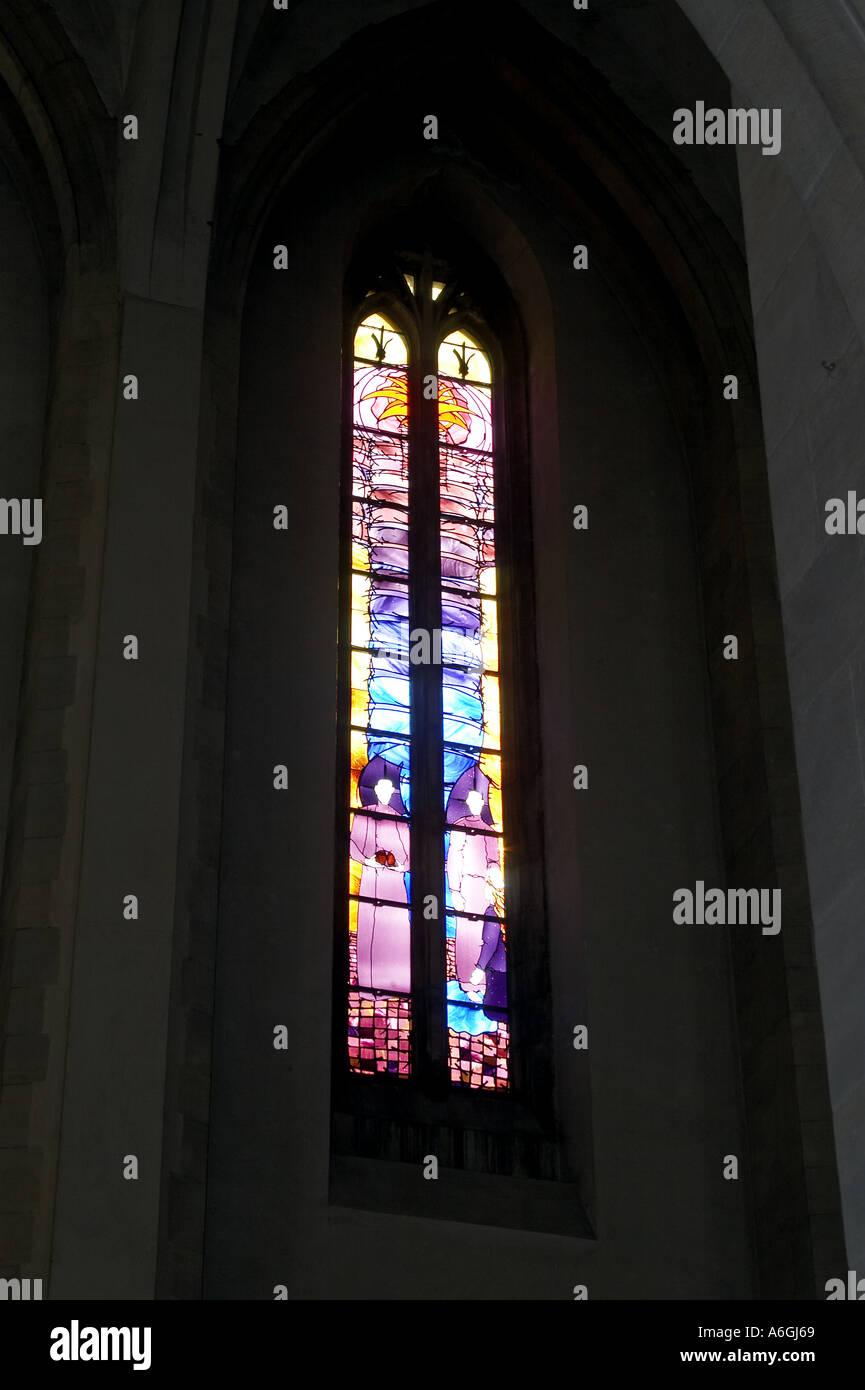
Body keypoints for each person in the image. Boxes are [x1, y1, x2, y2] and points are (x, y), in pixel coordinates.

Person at [349, 756, 410, 993]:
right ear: (375, 790)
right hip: (372, 881)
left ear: (393, 791)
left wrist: (399, 865)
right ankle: (370, 983)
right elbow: (353, 846)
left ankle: (399, 984)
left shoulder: (402, 822)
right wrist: (368, 859)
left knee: (395, 929)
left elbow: (408, 856)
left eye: (389, 788)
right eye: (381, 787)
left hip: (394, 884)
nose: (385, 792)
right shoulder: (363, 815)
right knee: (372, 928)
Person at [445, 766, 501, 986]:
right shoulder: (460, 827)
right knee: (466, 934)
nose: (476, 805)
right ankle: (465, 981)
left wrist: (494, 872)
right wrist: (455, 891)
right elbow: (454, 860)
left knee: (483, 933)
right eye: (473, 801)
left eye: (480, 801)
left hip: (483, 889)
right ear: (468, 803)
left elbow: (493, 859)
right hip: (466, 885)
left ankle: (482, 980)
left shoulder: (489, 830)